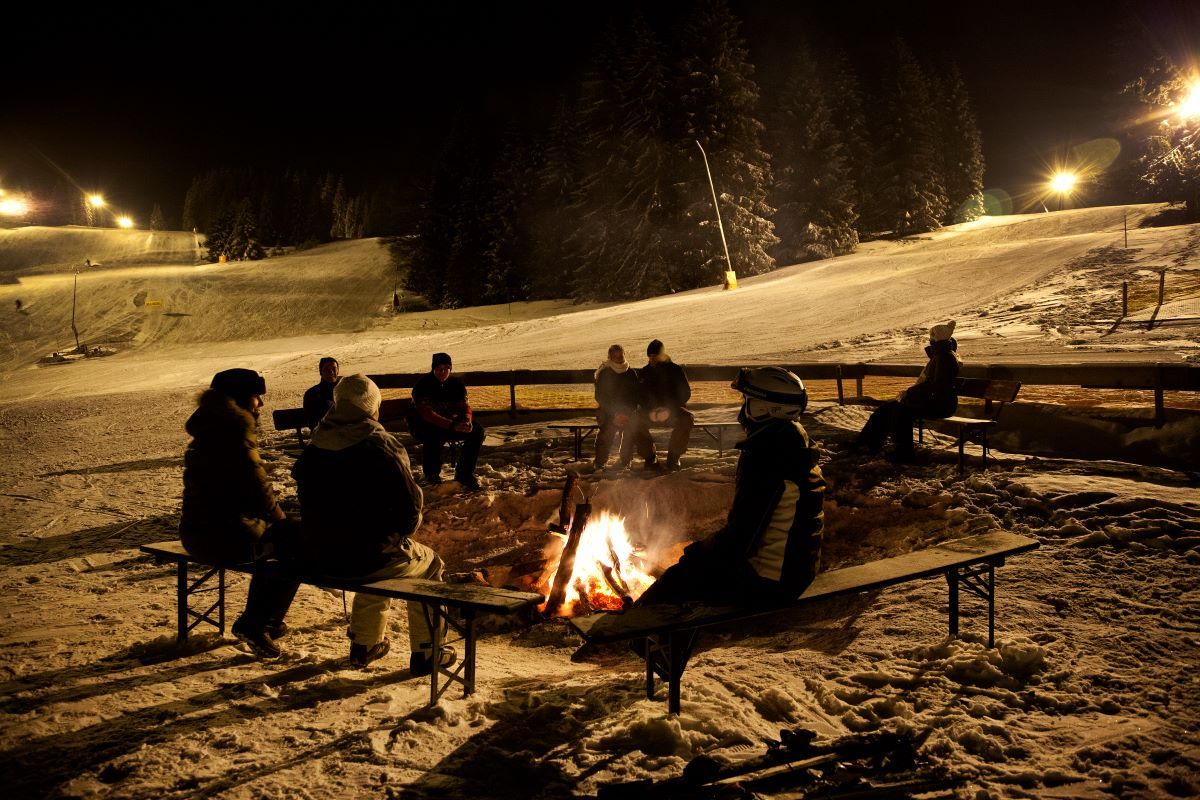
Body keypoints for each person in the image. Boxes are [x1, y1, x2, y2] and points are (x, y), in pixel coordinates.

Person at [292, 374, 456, 673]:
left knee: (378, 556)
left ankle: (364, 645)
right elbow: (409, 510)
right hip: (362, 558)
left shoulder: (316, 444)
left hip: (320, 553)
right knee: (427, 565)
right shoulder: (379, 445)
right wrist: (398, 534)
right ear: (371, 407)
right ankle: (429, 652)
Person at [635, 366, 825, 607]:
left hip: (770, 583)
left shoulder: (765, 454)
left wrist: (697, 554)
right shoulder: (794, 440)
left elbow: (741, 537)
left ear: (764, 408)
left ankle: (633, 637)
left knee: (674, 581)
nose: (742, 410)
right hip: (798, 571)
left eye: (747, 401)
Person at [179, 368, 299, 658]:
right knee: (294, 544)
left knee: (283, 539)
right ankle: (256, 624)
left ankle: (264, 621)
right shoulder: (233, 432)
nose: (260, 404)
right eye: (257, 397)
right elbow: (258, 489)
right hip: (224, 535)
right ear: (242, 400)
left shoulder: (208, 429)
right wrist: (282, 523)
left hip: (196, 532)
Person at [851, 320, 961, 462]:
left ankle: (903, 452)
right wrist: (912, 393)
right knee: (888, 408)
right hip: (935, 401)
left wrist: (911, 393)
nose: (930, 339)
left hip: (941, 405)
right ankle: (867, 443)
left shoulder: (945, 358)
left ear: (938, 339)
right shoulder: (940, 356)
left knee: (901, 411)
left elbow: (938, 385)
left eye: (932, 336)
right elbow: (933, 385)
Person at [409, 352, 485, 491]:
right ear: (433, 369)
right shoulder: (423, 385)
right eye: (439, 368)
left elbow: (465, 406)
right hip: (424, 424)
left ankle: (464, 473)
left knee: (477, 431)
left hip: (452, 424)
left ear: (451, 369)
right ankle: (432, 473)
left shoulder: (457, 384)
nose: (443, 371)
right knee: (433, 433)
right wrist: (451, 425)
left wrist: (467, 422)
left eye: (446, 368)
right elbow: (427, 414)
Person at [593, 344, 653, 470]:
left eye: (621, 355)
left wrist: (627, 412)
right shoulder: (605, 373)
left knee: (636, 427)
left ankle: (629, 460)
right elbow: (601, 397)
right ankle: (600, 462)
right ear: (610, 357)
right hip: (609, 412)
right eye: (615, 356)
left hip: (628, 412)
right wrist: (615, 413)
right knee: (606, 431)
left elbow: (636, 396)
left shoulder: (630, 373)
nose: (619, 358)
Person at [639, 339, 694, 471]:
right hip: (651, 412)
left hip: (672, 411)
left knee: (687, 418)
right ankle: (650, 457)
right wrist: (651, 409)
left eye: (655, 356)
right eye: (650, 356)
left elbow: (685, 393)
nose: (652, 359)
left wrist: (668, 408)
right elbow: (639, 395)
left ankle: (674, 457)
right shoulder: (645, 372)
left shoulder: (675, 370)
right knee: (635, 420)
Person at [302, 356, 340, 427]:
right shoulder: (312, 394)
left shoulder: (345, 388)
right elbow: (312, 421)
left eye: (334, 369)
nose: (331, 372)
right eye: (327, 369)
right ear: (321, 372)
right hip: (325, 432)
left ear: (338, 371)